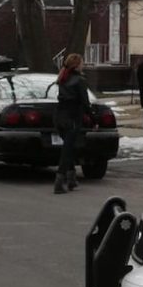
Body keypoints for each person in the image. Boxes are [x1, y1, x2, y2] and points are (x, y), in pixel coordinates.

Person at [54, 53, 90, 195]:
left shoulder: (62, 78)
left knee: (69, 147)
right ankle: (59, 180)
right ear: (76, 65)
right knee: (67, 150)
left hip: (59, 117)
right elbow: (85, 103)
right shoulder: (79, 80)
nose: (83, 65)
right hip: (73, 118)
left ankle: (71, 178)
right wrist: (93, 119)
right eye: (82, 62)